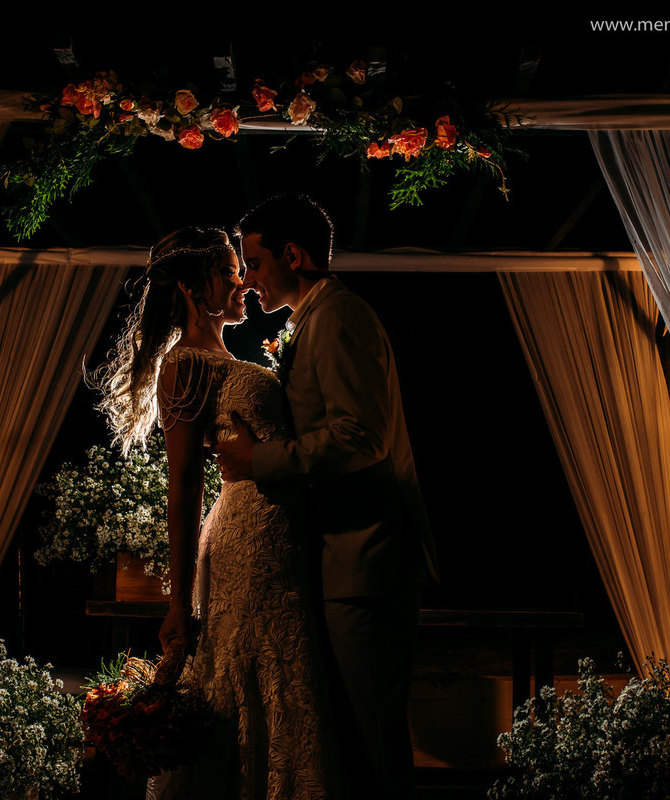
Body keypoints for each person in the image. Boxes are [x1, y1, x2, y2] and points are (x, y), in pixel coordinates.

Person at [97, 227, 339, 800]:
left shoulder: (224, 357)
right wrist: (178, 604)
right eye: (230, 271)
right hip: (245, 544)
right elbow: (182, 489)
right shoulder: (185, 365)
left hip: (276, 538)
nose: (241, 283)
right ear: (190, 286)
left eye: (240, 269)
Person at [214, 194, 440, 800]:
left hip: (367, 558)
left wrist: (256, 459)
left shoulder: (339, 317)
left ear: (294, 254)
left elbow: (359, 437)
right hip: (342, 557)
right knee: (354, 739)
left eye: (255, 262)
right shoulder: (312, 320)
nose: (249, 278)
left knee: (374, 739)